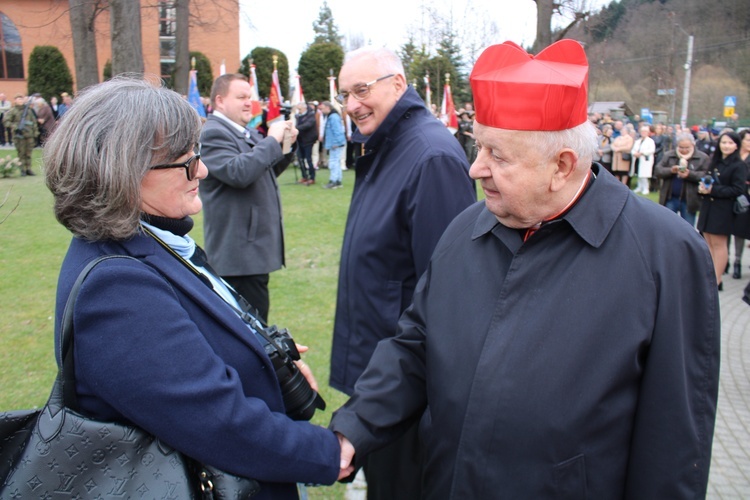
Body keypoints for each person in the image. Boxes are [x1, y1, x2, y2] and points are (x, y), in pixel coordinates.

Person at [332, 39, 720, 498]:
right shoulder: (464, 232)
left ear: (562, 165)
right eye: (479, 147)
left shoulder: (665, 255)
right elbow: (415, 347)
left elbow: (674, 446)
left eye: (497, 155)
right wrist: (354, 428)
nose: (475, 169)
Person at [43, 76, 340, 500]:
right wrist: (332, 451)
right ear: (123, 171)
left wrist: (268, 360)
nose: (200, 169)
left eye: (196, 154)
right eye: (185, 161)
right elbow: (217, 420)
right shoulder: (116, 284)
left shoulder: (151, 243)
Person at [330, 46, 476, 499]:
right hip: (380, 377)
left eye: (361, 89)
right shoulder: (387, 145)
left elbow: (448, 295)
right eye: (344, 94)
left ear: (398, 84)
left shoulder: (430, 156)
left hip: (407, 390)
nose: (352, 104)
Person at [199, 73, 298, 323]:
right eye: (241, 97)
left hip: (251, 252)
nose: (248, 103)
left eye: (249, 97)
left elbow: (265, 172)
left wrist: (285, 146)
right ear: (220, 101)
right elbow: (239, 172)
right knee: (252, 333)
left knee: (257, 327)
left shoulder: (246, 133)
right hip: (238, 255)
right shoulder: (213, 133)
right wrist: (272, 140)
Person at [697, 130, 747, 290]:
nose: (726, 146)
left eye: (730, 143)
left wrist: (713, 190)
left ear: (736, 146)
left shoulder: (739, 165)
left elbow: (738, 189)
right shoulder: (715, 161)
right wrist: (703, 188)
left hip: (723, 209)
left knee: (719, 244)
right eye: (724, 142)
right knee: (708, 242)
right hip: (709, 207)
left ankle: (717, 280)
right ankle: (710, 276)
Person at [654, 132, 710, 227]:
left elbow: (706, 176)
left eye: (687, 147)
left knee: (687, 228)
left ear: (693, 145)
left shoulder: (702, 157)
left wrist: (690, 174)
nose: (684, 150)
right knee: (667, 226)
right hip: (670, 198)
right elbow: (658, 170)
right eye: (681, 147)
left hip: (689, 200)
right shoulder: (669, 155)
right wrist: (671, 170)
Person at [3, 93, 38, 176]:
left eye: (21, 99)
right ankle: (22, 169)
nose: (20, 101)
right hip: (19, 136)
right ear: (15, 101)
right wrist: (15, 126)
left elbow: (33, 122)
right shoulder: (12, 111)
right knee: (21, 153)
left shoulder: (28, 110)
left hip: (29, 135)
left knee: (28, 153)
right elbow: (6, 121)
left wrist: (35, 132)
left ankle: (28, 169)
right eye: (18, 99)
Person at [730, 128, 750, 278]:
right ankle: (727, 262)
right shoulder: (733, 156)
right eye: (747, 140)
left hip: (746, 199)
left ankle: (738, 261)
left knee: (741, 232)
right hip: (730, 197)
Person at [320, 101, 345, 189]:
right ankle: (338, 181)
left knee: (333, 162)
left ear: (328, 107)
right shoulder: (332, 116)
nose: (321, 111)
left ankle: (333, 181)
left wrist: (336, 143)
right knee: (336, 162)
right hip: (336, 143)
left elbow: (337, 131)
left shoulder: (333, 117)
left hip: (335, 144)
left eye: (322, 109)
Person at [294, 101, 317, 185]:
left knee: (308, 159)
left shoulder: (310, 115)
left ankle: (312, 177)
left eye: (299, 108)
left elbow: (308, 125)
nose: (298, 110)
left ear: (304, 108)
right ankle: (304, 176)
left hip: (308, 140)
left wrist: (295, 128)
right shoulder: (297, 116)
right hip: (299, 140)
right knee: (300, 159)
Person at [630, 124, 656, 194]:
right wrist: (634, 153)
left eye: (645, 132)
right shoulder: (638, 141)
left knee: (644, 175)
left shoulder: (650, 141)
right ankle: (639, 187)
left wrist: (642, 153)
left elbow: (652, 150)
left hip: (645, 160)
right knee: (638, 174)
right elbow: (633, 150)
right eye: (642, 132)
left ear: (648, 133)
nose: (643, 133)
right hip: (637, 160)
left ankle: (645, 188)